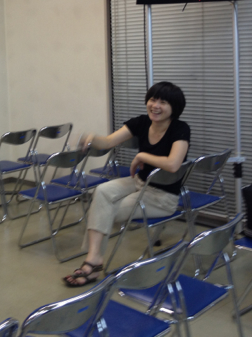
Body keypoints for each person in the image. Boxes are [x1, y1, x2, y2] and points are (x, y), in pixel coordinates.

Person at [63, 81, 190, 287]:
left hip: (162, 197)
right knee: (102, 192)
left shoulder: (180, 128)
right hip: (139, 182)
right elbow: (108, 142)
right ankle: (94, 259)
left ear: (174, 107)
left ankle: (92, 265)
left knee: (104, 210)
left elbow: (173, 164)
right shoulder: (141, 122)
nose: (155, 106)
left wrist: (141, 156)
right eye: (153, 100)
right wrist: (90, 138)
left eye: (163, 102)